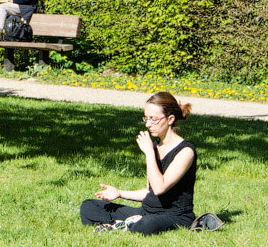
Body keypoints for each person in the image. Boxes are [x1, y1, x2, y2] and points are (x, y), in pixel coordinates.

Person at [79, 92, 197, 235]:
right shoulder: (155, 146)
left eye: (153, 119)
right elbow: (150, 192)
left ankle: (123, 225)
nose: (148, 124)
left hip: (175, 215)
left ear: (170, 119)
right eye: (146, 118)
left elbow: (160, 188)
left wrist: (149, 153)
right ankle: (119, 224)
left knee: (145, 225)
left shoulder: (185, 151)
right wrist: (119, 193)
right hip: (147, 211)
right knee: (89, 206)